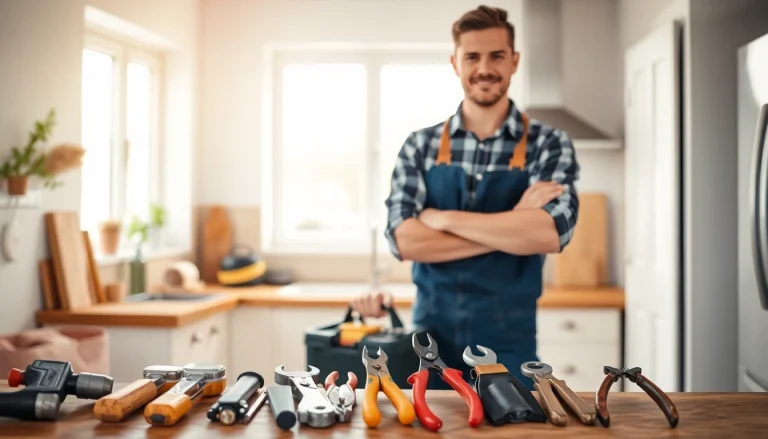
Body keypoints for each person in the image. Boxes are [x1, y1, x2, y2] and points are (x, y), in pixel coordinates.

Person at [351, 5, 580, 390]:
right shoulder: (419, 146)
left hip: (511, 340)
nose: (484, 68)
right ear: (455, 63)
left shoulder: (549, 143)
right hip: (430, 343)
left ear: (514, 61)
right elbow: (405, 240)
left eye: (496, 56)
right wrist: (513, 222)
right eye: (472, 56)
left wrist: (445, 219)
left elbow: (550, 234)